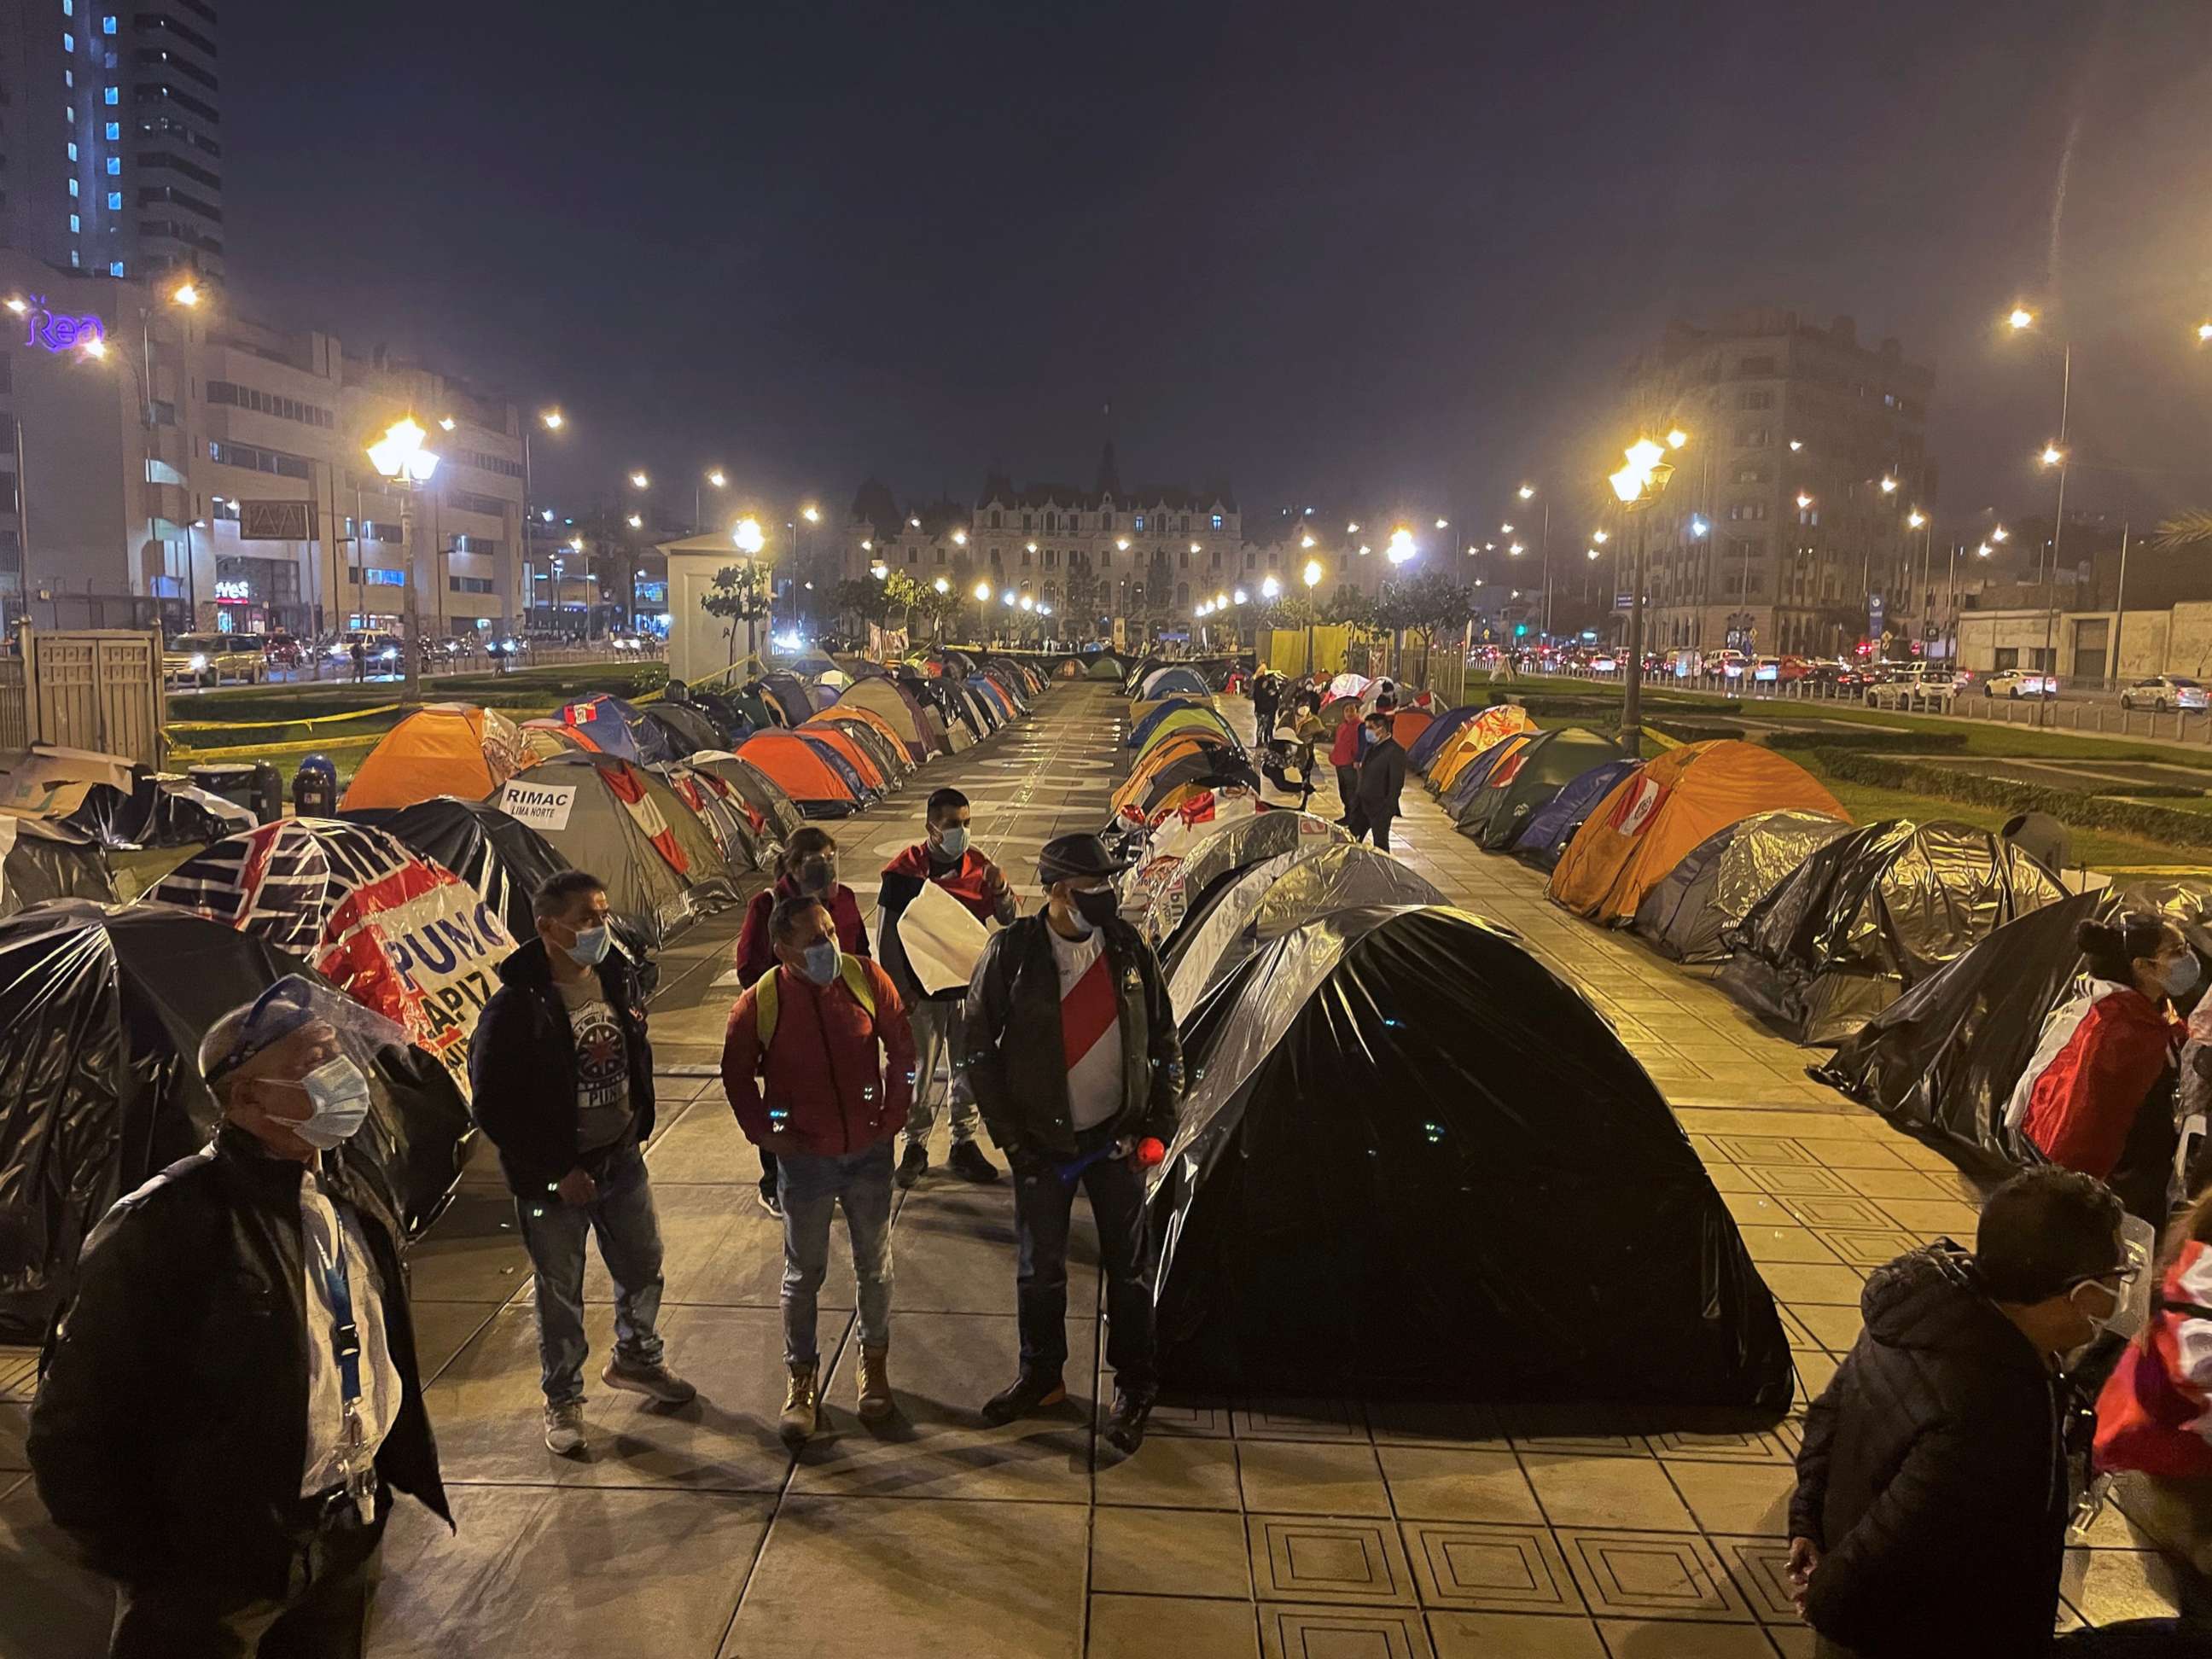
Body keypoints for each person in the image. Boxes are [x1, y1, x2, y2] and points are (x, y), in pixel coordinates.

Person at [28, 976, 451, 1656]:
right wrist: (148, 1564)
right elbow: (74, 1418)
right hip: (214, 1567)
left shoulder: (350, 1191)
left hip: (348, 1534)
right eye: (312, 1063)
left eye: (335, 1053)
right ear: (247, 1097)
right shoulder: (167, 1221)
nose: (341, 1075)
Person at [1787, 1167, 2133, 1657]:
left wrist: (1805, 1522)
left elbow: (1828, 1415)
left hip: (1868, 1602)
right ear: (2075, 1293)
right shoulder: (1993, 1406)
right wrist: (1824, 1599)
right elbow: (1898, 1535)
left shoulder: (1926, 1313)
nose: (2121, 1293)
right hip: (1911, 1632)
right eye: (2116, 1276)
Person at [963, 832, 1183, 1455]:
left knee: (1130, 1272)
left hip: (1118, 1142)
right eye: (1096, 886)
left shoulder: (1129, 948)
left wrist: (1158, 1126)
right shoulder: (1013, 953)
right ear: (1061, 891)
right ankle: (1042, 1377)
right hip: (1043, 1147)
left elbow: (1166, 1040)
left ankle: (1135, 1386)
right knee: (1040, 1272)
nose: (1109, 895)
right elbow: (977, 1049)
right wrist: (1012, 1142)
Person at [470, 870, 695, 1457]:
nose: (601, 926)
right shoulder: (516, 1006)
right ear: (548, 928)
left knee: (643, 1263)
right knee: (560, 1290)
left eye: (603, 913)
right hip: (555, 1180)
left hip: (620, 1158)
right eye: (588, 918)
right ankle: (563, 1397)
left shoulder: (616, 977)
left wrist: (635, 1123)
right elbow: (492, 1105)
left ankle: (638, 1359)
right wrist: (555, 1170)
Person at [721, 892, 914, 1445]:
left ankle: (873, 1365)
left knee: (875, 1266)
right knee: (804, 1274)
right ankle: (801, 1379)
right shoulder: (761, 1003)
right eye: (815, 939)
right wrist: (765, 1132)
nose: (830, 944)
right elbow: (735, 1075)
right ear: (784, 950)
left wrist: (892, 1114)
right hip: (805, 1165)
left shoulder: (865, 979)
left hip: (869, 1158)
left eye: (830, 931)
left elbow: (902, 1051)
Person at [2007, 915, 2192, 1221]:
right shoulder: (2114, 1030)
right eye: (2176, 952)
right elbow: (2084, 1120)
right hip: (2117, 1180)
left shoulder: (2146, 1008)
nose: (2187, 959)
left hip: (2138, 1168)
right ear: (2142, 966)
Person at [877, 787, 1016, 1188]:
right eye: (953, 824)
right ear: (931, 828)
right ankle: (915, 1145)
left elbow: (1009, 919)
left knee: (968, 1071)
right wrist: (902, 990)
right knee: (918, 1074)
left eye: (967, 823)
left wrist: (1002, 888)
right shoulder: (905, 873)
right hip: (922, 996)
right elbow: (887, 938)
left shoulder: (979, 868)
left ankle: (963, 1143)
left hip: (968, 992)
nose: (962, 831)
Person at [733, 827, 871, 1216]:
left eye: (831, 858)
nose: (826, 867)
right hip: (789, 1019)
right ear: (793, 866)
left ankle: (834, 1169)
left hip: (837, 1015)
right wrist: (784, 990)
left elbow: (859, 949)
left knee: (834, 1091)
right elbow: (748, 965)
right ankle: (773, 1180)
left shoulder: (842, 899)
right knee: (783, 1100)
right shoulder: (768, 905)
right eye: (816, 862)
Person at [2093, 1184, 2212, 1576]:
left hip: (2167, 1456)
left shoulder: (2193, 1267)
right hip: (2184, 1468)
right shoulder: (2202, 1298)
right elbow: (2196, 1370)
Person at [1346, 707, 1406, 852]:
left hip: (1379, 807)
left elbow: (1396, 784)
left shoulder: (1394, 751)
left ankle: (1384, 871)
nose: (1367, 732)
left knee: (1380, 844)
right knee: (1352, 838)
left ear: (1381, 729)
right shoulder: (1372, 747)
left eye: (1370, 728)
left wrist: (1388, 808)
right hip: (1362, 804)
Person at [1251, 669, 1281, 742]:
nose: (1265, 683)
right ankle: (1260, 741)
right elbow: (1260, 701)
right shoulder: (1260, 692)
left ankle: (1265, 739)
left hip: (1267, 711)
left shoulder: (1267, 688)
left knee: (1268, 725)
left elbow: (1276, 697)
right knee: (1262, 726)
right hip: (1262, 711)